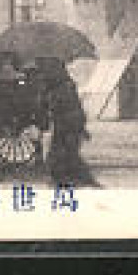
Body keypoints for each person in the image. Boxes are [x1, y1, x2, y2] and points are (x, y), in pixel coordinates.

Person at [37, 56, 98, 188]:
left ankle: (78, 180)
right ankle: (72, 180)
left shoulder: (64, 87)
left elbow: (62, 106)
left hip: (69, 125)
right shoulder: (56, 86)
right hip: (64, 125)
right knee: (66, 154)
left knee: (66, 154)